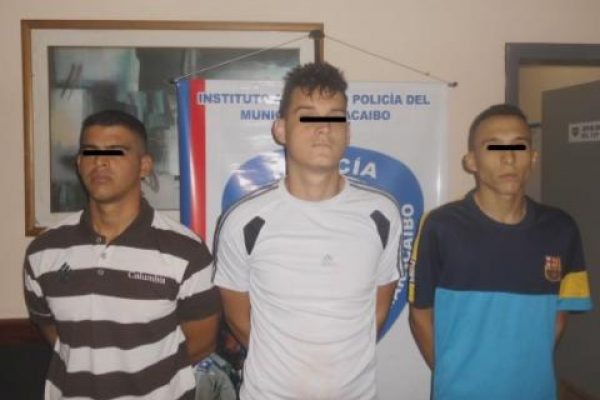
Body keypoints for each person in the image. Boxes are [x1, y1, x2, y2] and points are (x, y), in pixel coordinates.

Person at [212, 62, 402, 400]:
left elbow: (378, 311)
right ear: (281, 130)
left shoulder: (382, 215)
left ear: (348, 131)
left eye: (335, 118)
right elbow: (238, 318)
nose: (324, 129)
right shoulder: (243, 221)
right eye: (307, 117)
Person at [23, 110, 220, 400]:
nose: (100, 162)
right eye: (90, 152)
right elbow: (53, 332)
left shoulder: (186, 251)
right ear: (79, 163)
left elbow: (201, 343)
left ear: (144, 165)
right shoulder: (44, 251)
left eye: (116, 151)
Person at [408, 104, 593, 400]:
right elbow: (420, 316)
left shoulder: (561, 228)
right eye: (493, 147)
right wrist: (452, 374)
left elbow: (559, 316)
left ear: (533, 157)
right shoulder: (440, 226)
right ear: (471, 161)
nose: (508, 158)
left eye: (519, 146)